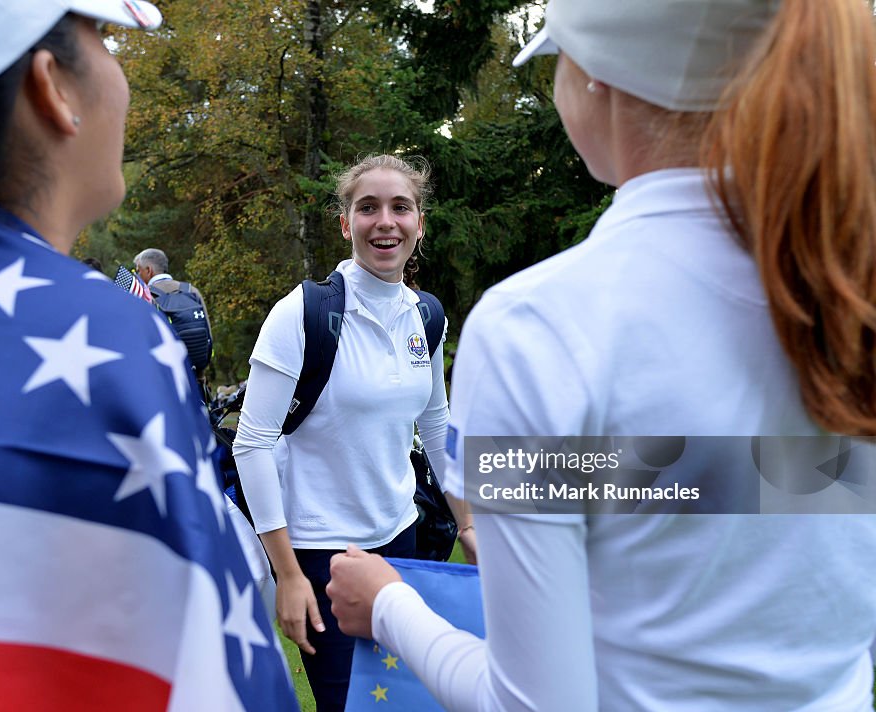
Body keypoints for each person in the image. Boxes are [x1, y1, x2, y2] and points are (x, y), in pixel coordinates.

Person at [328, 1, 876, 710]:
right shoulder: (849, 288)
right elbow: (752, 488)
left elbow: (530, 704)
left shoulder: (539, 331)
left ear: (597, 82)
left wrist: (388, 607)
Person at [0, 2, 297, 709]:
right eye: (107, 38)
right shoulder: (107, 339)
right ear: (52, 86)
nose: (121, 76)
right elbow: (210, 675)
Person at [232, 153, 476, 711]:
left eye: (401, 207)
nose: (385, 221)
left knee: (401, 701)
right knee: (348, 705)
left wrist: (469, 522)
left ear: (420, 222)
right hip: (321, 552)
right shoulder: (301, 314)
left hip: (401, 540)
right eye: (368, 208)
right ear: (346, 224)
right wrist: (288, 573)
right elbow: (253, 444)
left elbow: (435, 424)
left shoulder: (427, 316)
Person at [134, 247, 213, 380]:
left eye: (138, 270)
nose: (137, 275)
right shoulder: (191, 290)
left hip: (164, 381)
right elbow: (208, 335)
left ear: (148, 270)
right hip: (196, 378)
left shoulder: (146, 296)